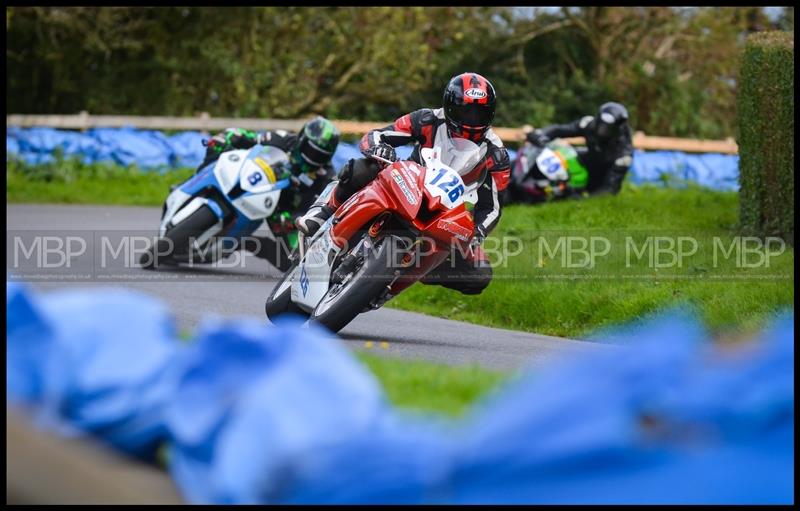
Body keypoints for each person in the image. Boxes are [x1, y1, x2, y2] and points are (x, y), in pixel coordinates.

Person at [296, 72, 511, 296]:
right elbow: (378, 135)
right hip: (406, 184)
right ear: (449, 106)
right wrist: (379, 149)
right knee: (362, 168)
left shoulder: (496, 155)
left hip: (445, 211)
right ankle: (321, 213)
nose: (470, 119)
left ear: (491, 113)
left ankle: (403, 278)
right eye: (465, 110)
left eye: (478, 113)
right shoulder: (427, 119)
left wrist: (478, 232)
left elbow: (492, 207)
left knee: (479, 273)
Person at [198, 116, 341, 270]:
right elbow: (249, 138)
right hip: (255, 182)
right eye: (310, 150)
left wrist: (292, 219)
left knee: (292, 263)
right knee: (217, 147)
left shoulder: (326, 176)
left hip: (282, 211)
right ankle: (195, 182)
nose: (313, 157)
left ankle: (249, 243)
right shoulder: (283, 138)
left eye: (320, 155)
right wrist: (229, 136)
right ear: (302, 138)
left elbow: (317, 209)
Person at [526, 102, 633, 195]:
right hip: (588, 162)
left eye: (606, 129)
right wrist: (541, 135)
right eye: (600, 125)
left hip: (598, 181)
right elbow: (560, 130)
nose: (601, 130)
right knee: (565, 153)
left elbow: (610, 189)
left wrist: (581, 200)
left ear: (616, 130)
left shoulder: (623, 154)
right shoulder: (589, 124)